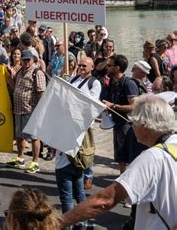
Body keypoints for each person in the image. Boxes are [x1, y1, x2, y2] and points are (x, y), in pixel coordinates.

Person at [61, 95, 177, 230]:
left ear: (144, 126)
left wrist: (58, 223)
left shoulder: (152, 158)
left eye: (133, 122)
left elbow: (105, 199)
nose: (131, 126)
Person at [55, 57, 101, 214]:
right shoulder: (74, 78)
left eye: (84, 65)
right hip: (68, 126)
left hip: (81, 130)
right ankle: (82, 221)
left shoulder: (94, 83)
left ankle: (77, 221)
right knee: (75, 190)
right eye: (79, 65)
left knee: (71, 193)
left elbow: (90, 104)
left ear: (92, 67)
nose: (80, 67)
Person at [7, 50, 46, 174]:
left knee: (34, 137)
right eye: (24, 60)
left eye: (28, 60)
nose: (26, 62)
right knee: (19, 135)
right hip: (19, 108)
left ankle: (35, 162)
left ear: (33, 59)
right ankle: (20, 157)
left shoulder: (37, 72)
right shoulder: (20, 71)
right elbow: (15, 86)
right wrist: (9, 76)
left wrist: (39, 111)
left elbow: (41, 92)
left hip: (31, 109)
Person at [100, 55, 139, 174]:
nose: (107, 67)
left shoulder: (129, 84)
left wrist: (113, 106)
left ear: (117, 68)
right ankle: (122, 178)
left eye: (110, 65)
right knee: (120, 155)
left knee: (131, 156)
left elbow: (133, 107)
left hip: (128, 126)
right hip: (117, 124)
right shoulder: (112, 83)